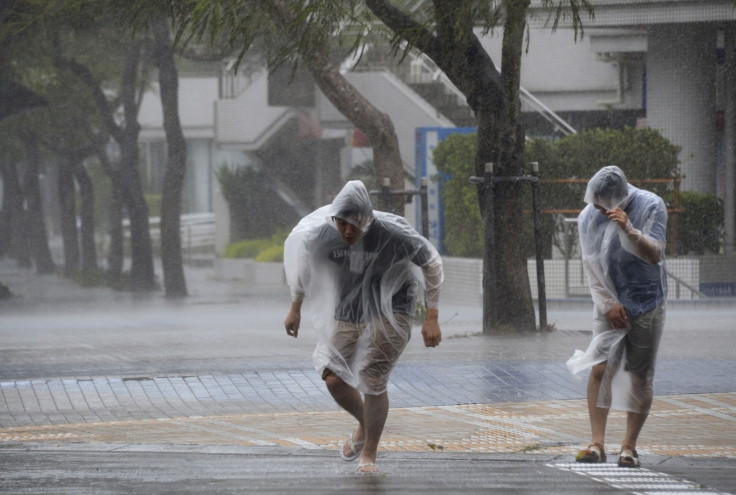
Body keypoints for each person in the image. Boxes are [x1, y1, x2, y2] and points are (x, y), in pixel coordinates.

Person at [282, 180, 443, 475]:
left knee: (372, 378)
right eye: (342, 223)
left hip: (393, 308)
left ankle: (368, 455)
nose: (347, 231)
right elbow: (302, 262)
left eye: (354, 224)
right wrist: (295, 308)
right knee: (332, 376)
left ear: (367, 218)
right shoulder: (323, 235)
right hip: (349, 309)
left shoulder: (393, 233)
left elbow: (431, 262)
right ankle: (365, 424)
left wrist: (431, 315)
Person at [567, 166, 667, 468]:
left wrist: (628, 228)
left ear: (616, 198)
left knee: (639, 377)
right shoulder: (588, 217)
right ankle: (597, 443)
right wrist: (608, 303)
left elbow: (655, 254)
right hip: (607, 303)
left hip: (647, 301)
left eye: (600, 201)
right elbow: (590, 263)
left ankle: (629, 447)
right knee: (599, 368)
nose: (594, 206)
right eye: (592, 200)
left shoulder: (650, 205)